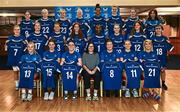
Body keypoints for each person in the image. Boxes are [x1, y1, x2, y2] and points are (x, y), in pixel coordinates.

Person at [151, 25, 174, 90]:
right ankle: (154, 83)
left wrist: (167, 55)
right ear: (155, 30)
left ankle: (163, 83)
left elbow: (170, 49)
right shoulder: (152, 38)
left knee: (162, 71)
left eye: (159, 28)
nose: (158, 30)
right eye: (156, 29)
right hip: (154, 57)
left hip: (162, 57)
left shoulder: (165, 38)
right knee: (154, 71)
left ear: (162, 30)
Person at [5, 25, 27, 90]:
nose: (17, 31)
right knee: (15, 72)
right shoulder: (10, 38)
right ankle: (17, 84)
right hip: (13, 58)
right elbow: (6, 49)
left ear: (20, 30)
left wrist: (25, 44)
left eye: (18, 29)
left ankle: (22, 83)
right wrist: (6, 44)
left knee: (22, 72)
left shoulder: (23, 38)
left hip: (21, 58)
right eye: (15, 29)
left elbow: (27, 47)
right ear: (13, 30)